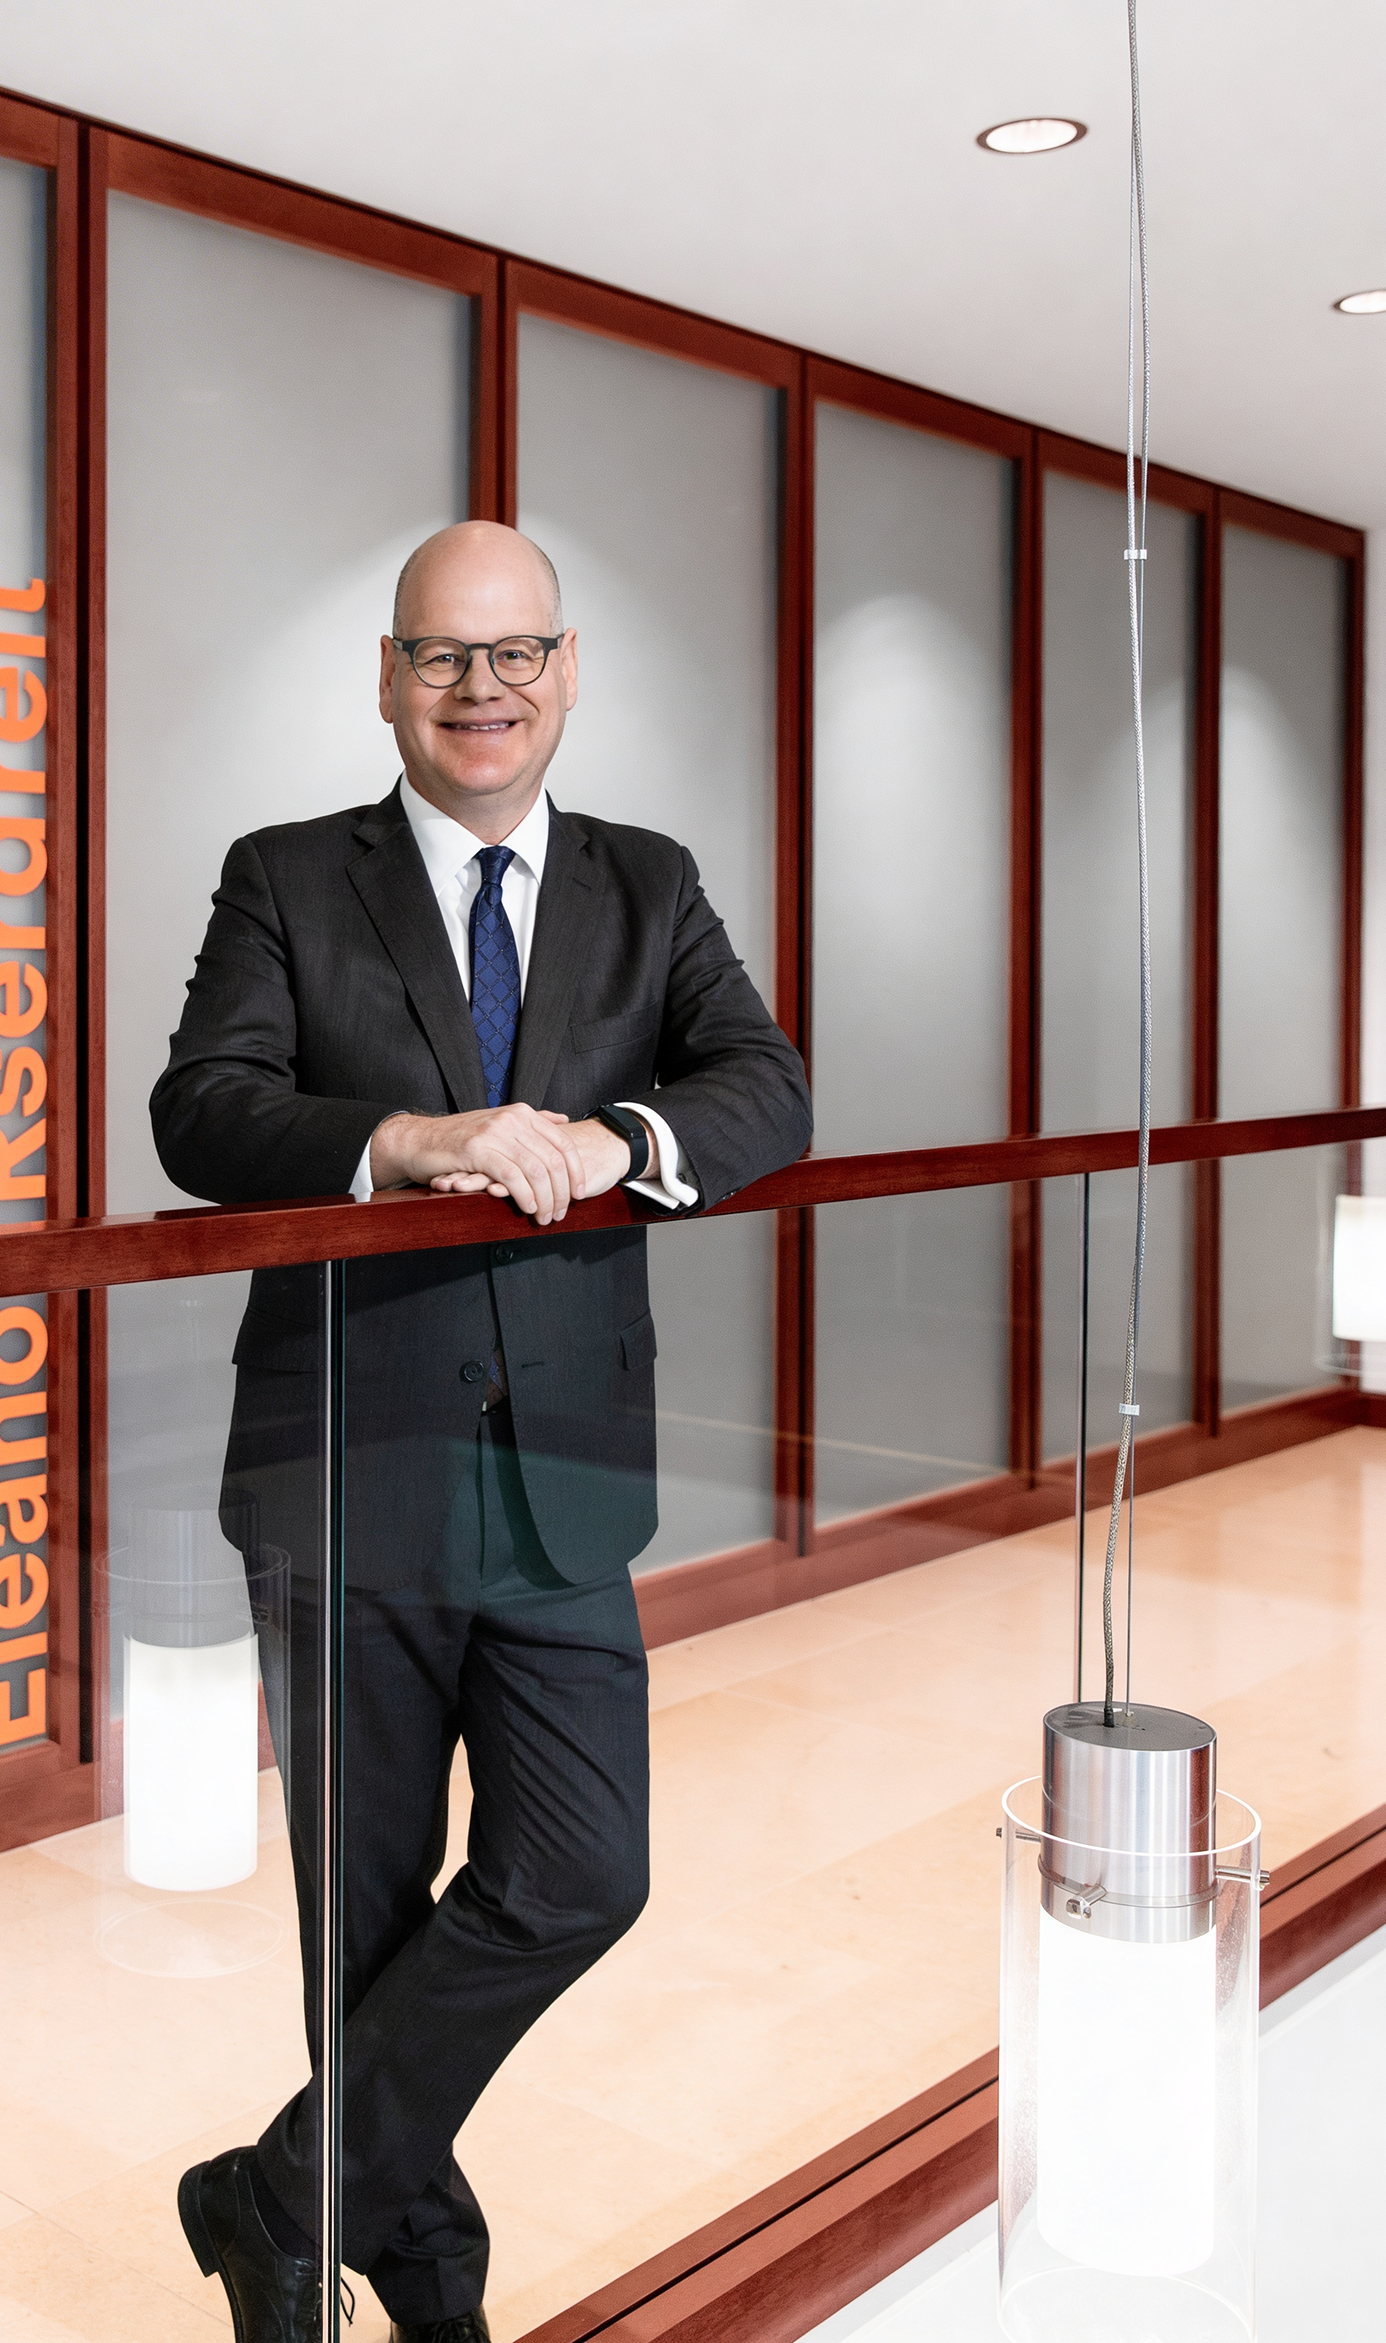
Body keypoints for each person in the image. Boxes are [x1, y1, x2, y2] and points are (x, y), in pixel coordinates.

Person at [156, 521, 812, 2343]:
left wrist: (624, 1144)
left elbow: (766, 1085)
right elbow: (202, 1112)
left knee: (581, 1870)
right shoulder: (286, 876)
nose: (483, 690)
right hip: (341, 1466)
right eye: (445, 656)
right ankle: (424, 2275)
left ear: (569, 671)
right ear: (388, 675)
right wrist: (409, 1142)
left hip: (565, 1471)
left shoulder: (648, 880)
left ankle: (275, 2195)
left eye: (516, 655)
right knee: (357, 1925)